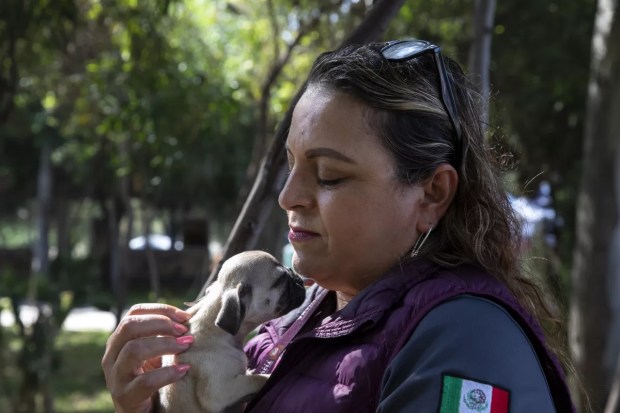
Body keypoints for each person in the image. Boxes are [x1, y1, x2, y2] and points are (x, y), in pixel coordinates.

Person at [102, 39, 576, 412]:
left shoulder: (470, 343)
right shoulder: (288, 326)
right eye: (290, 165)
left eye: (329, 175)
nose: (289, 197)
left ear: (431, 194)